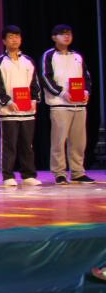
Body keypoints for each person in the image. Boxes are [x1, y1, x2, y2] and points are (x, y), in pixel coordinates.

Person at [39, 24, 95, 184]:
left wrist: (86, 91)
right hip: (60, 105)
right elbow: (46, 78)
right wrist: (62, 93)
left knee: (79, 141)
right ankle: (59, 172)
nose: (66, 36)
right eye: (62, 34)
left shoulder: (77, 56)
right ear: (54, 37)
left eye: (69, 33)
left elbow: (86, 77)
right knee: (58, 141)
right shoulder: (49, 55)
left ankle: (78, 171)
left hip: (79, 105)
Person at [0, 25, 42, 187]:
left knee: (27, 144)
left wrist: (34, 100)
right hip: (8, 111)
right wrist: (8, 101)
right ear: (4, 41)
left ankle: (28, 175)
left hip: (27, 111)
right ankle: (8, 175)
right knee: (9, 145)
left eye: (17, 36)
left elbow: (35, 84)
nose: (14, 40)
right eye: (11, 37)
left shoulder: (28, 61)